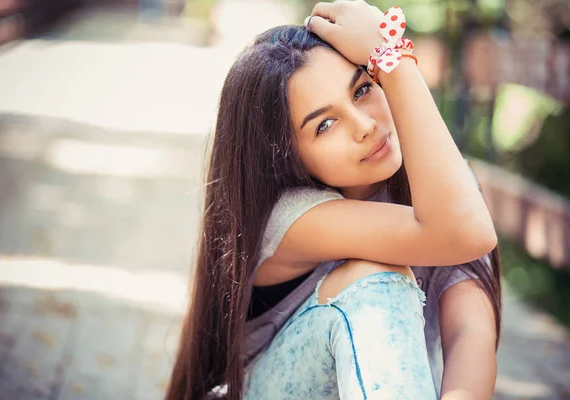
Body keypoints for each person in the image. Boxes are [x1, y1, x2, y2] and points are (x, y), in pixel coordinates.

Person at [166, 1, 501, 399]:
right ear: (289, 157)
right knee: (374, 280)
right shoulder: (289, 216)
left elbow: (469, 335)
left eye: (362, 89)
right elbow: (464, 233)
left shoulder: (445, 188)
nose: (365, 126)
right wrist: (395, 60)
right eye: (324, 124)